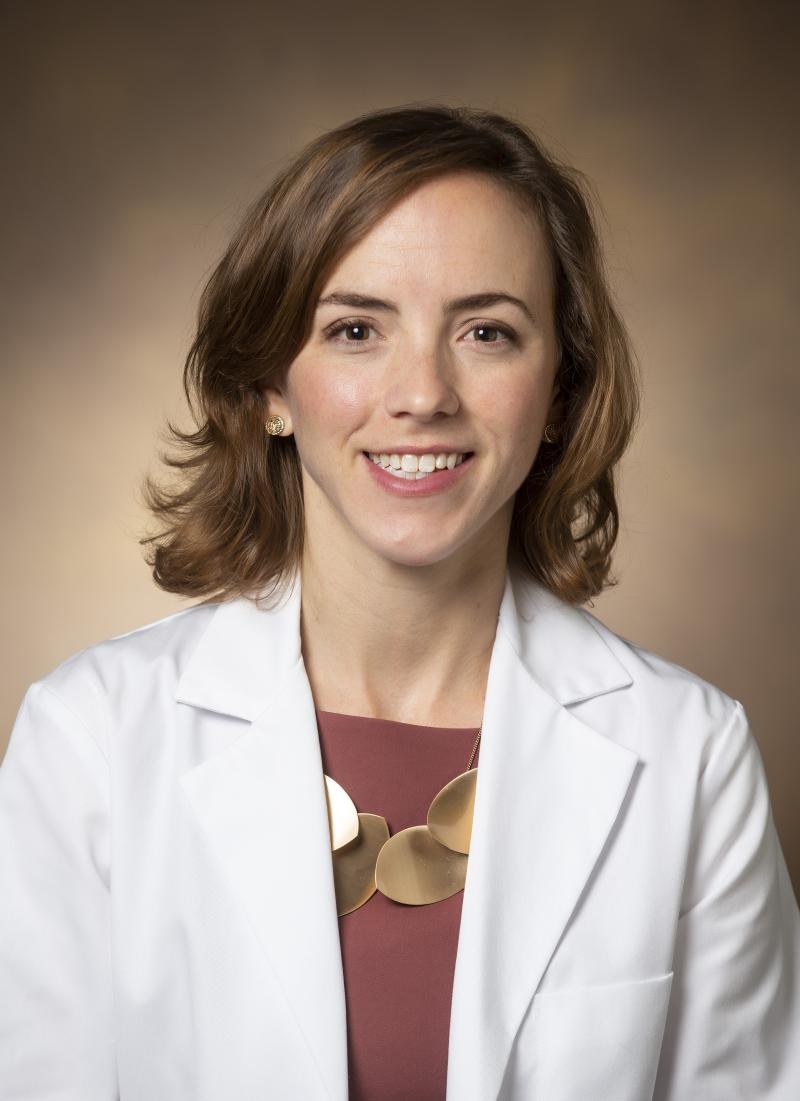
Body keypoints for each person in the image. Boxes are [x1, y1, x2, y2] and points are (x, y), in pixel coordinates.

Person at [1, 103, 798, 1101]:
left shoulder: (692, 753)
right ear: (270, 389)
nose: (422, 393)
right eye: (355, 329)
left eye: (486, 331)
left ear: (559, 390)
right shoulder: (90, 739)